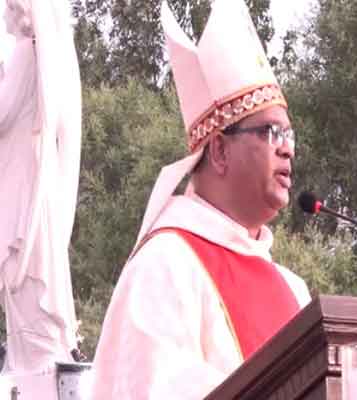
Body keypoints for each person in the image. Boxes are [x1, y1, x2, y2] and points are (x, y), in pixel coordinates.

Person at [90, 1, 311, 398]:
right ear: (220, 152)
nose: (288, 150)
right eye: (272, 133)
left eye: (290, 136)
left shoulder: (293, 290)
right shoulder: (165, 266)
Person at [0, 0, 81, 374]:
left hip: (21, 179)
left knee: (25, 265)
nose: (4, 16)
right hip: (31, 174)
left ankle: (35, 360)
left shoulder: (23, 52)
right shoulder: (40, 54)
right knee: (35, 262)